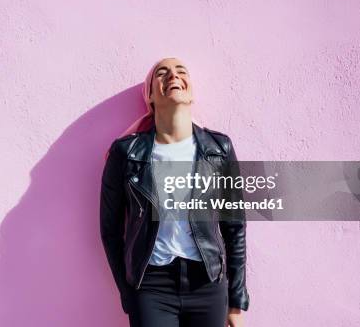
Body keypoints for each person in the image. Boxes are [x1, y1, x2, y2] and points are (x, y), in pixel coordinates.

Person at [100, 57, 249, 327]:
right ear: (151, 95)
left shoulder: (219, 148)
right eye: (162, 72)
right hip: (152, 286)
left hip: (208, 282)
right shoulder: (126, 152)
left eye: (182, 71)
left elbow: (234, 225)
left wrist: (236, 300)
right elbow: (110, 230)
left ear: (191, 94)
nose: (173, 76)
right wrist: (128, 293)